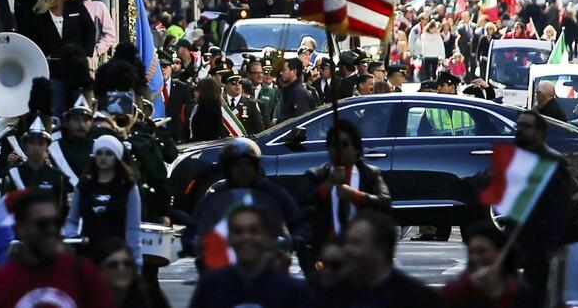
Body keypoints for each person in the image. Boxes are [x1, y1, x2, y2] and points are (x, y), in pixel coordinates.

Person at [0, 188, 116, 308]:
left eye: (57, 222)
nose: (51, 229)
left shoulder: (84, 276)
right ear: (20, 228)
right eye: (42, 224)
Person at [182, 139, 305, 267]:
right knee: (206, 280)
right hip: (225, 263)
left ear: (255, 166)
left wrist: (298, 237)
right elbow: (195, 225)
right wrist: (191, 241)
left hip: (266, 260)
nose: (243, 170)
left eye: (248, 164)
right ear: (228, 168)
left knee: (289, 284)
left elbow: (296, 220)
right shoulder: (216, 194)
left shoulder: (272, 192)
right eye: (238, 165)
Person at [299, 120, 391, 264]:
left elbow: (384, 202)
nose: (339, 150)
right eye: (334, 145)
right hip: (326, 252)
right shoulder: (317, 176)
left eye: (345, 144)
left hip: (362, 254)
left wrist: (355, 195)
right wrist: (328, 185)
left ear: (356, 149)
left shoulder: (369, 174)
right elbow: (303, 205)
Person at [190, 205, 315, 308]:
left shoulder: (293, 291)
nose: (246, 237)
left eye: (253, 230)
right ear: (229, 239)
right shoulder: (210, 286)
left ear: (267, 238)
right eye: (238, 231)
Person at [510, 110, 573, 305]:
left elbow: (559, 207)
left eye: (526, 126)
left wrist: (553, 245)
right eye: (518, 126)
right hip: (523, 243)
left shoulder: (552, 161)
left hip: (543, 244)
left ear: (540, 132)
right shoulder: (520, 159)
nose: (520, 130)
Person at [322, 210, 438, 308]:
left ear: (381, 250)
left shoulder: (415, 297)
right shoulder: (330, 291)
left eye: (356, 243)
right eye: (347, 241)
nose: (347, 249)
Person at [64, 134, 143, 270]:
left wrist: (136, 260)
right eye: (99, 153)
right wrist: (73, 237)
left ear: (117, 157)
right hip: (88, 254)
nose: (103, 157)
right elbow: (72, 220)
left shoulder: (128, 186)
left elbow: (133, 228)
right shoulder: (84, 184)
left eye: (109, 154)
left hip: (116, 256)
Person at [22, 0, 96, 105]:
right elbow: (32, 39)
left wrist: (87, 54)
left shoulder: (77, 7)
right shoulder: (38, 13)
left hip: (77, 68)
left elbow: (90, 31)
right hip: (51, 70)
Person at [440, 220, 531, 308]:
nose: (475, 257)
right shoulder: (455, 291)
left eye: (482, 251)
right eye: (471, 252)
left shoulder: (520, 293)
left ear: (500, 252)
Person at [0, 117, 66, 208]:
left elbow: (61, 209)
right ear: (25, 146)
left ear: (47, 146)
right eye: (32, 143)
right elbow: (4, 208)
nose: (36, 148)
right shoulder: (13, 174)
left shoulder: (57, 175)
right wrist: (9, 163)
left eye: (40, 143)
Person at [95, 237, 169, 308]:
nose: (121, 268)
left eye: (127, 263)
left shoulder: (148, 295)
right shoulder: (90, 299)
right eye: (113, 265)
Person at [73, 0, 117, 65]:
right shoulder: (68, 7)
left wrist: (96, 51)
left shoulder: (98, 6)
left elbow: (110, 35)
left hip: (91, 59)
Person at [161, 56, 191, 143]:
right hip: (158, 132)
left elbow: (187, 111)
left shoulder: (182, 87)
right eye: (160, 67)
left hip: (177, 133)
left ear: (171, 68)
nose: (163, 70)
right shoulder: (152, 88)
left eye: (165, 66)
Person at [274, 58, 313, 123]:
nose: (281, 73)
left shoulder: (299, 93)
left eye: (284, 70)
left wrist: (278, 121)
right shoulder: (289, 91)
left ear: (294, 72)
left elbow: (301, 118)